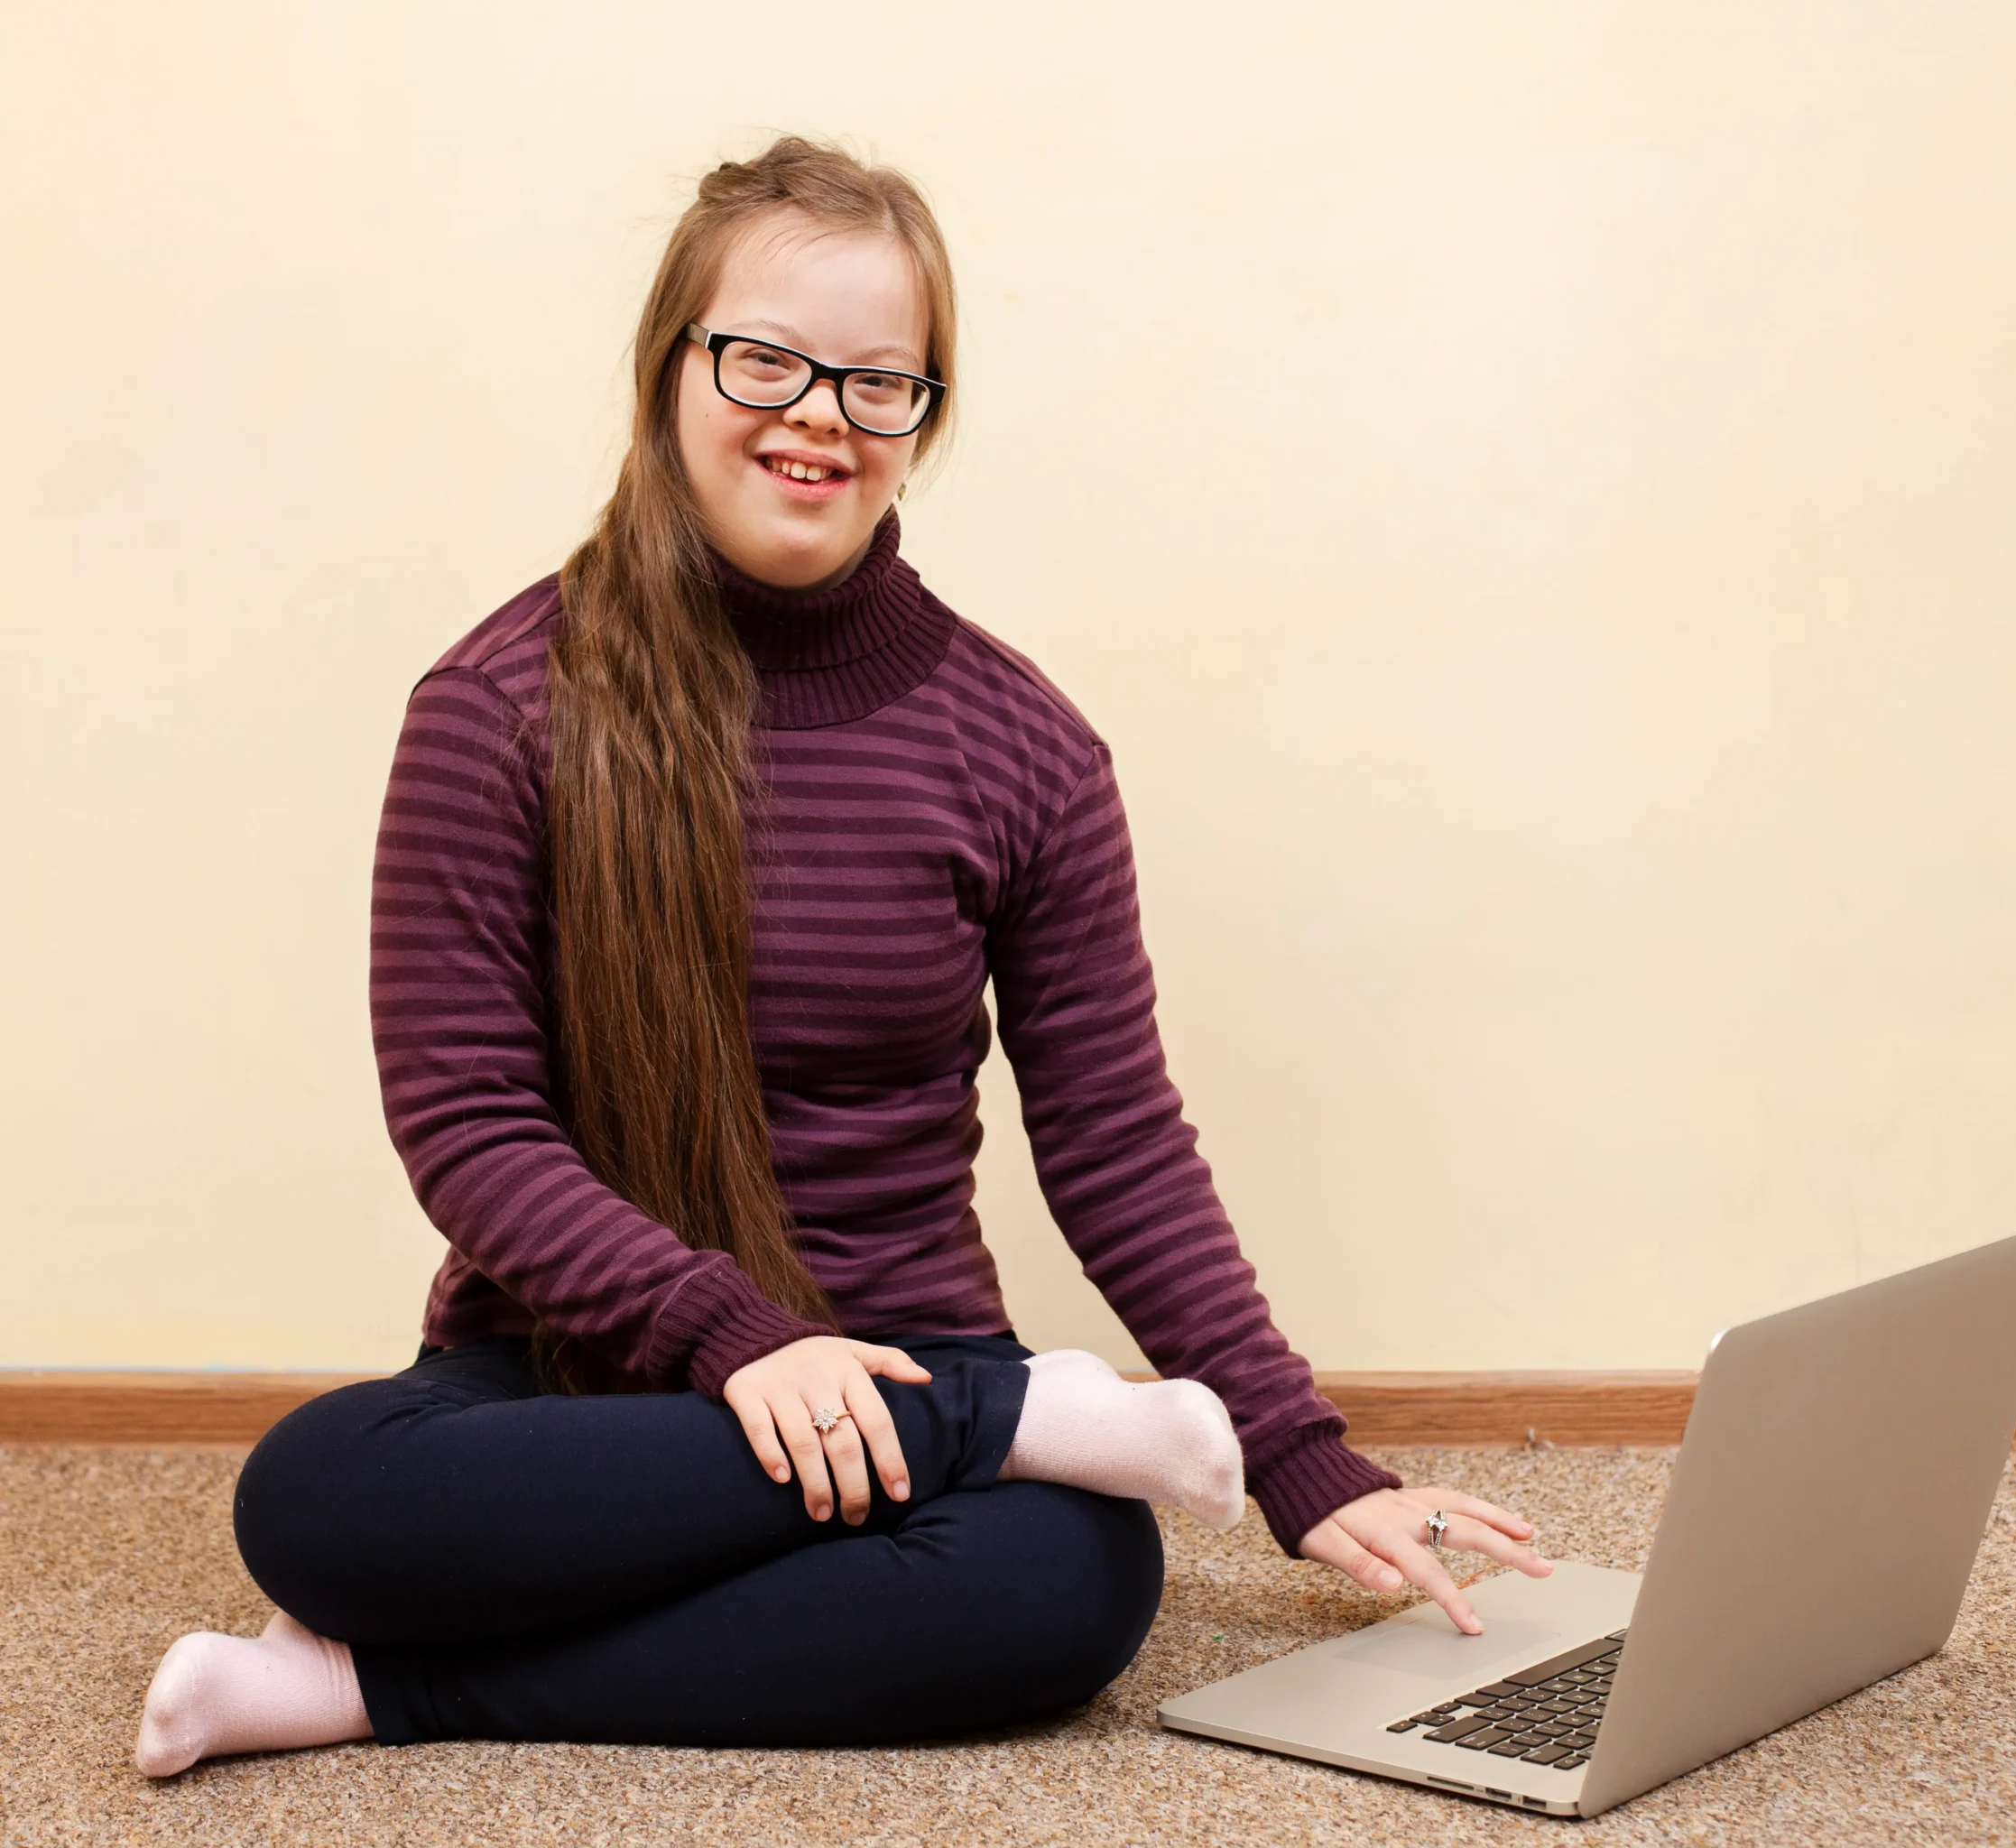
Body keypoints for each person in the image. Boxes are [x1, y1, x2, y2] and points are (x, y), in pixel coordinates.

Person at [134, 135, 1549, 1779]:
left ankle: (379, 1690)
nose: (819, 414)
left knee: (1071, 1588)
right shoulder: (498, 706)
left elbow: (1115, 1138)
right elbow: (468, 1122)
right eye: (767, 359)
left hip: (899, 1352)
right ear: (672, 368)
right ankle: (1001, 1431)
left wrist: (1310, 1464)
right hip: (586, 1384)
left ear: (924, 419)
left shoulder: (1024, 745)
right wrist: (737, 1338)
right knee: (318, 1498)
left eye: (882, 383)